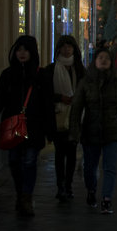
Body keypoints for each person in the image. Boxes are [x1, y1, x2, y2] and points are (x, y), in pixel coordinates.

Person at [0, 35, 49, 217]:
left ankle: (26, 197)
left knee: (29, 160)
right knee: (13, 161)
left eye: (26, 50)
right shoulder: (8, 75)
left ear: (32, 52)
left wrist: (50, 129)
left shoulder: (40, 75)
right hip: (12, 126)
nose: (22, 53)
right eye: (19, 49)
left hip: (34, 127)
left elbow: (47, 104)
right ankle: (21, 193)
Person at [69, 46, 117, 214]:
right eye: (100, 57)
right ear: (95, 61)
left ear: (111, 62)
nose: (103, 60)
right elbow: (77, 108)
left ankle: (107, 199)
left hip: (112, 131)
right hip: (90, 130)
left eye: (106, 58)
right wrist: (75, 131)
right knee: (90, 167)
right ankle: (91, 190)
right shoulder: (86, 83)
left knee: (110, 167)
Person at [40, 35, 86, 203]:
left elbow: (85, 92)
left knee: (72, 152)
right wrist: (60, 98)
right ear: (58, 49)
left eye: (70, 47)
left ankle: (68, 185)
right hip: (58, 116)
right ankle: (60, 186)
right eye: (64, 46)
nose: (67, 50)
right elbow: (45, 95)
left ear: (74, 49)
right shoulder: (51, 70)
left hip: (75, 117)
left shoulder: (80, 69)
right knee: (60, 153)